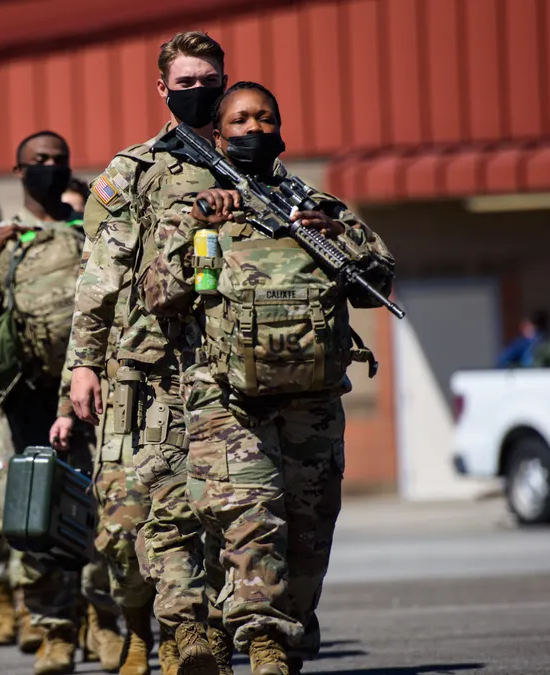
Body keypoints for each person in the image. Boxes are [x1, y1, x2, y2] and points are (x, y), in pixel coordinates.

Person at [142, 81, 397, 675]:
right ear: (219, 132)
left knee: (309, 531)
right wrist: (200, 229)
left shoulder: (318, 205)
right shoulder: (198, 209)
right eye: (239, 120)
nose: (253, 129)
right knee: (250, 519)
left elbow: (378, 285)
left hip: (312, 401)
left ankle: (290, 634)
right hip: (227, 403)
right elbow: (160, 295)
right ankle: (263, 644)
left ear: (281, 129)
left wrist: (337, 237)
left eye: (264, 118)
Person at [68, 29, 231, 675]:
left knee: (223, 510)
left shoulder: (254, 166)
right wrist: (83, 364)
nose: (199, 91)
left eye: (208, 79)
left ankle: (203, 635)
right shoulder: (132, 171)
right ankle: (138, 621)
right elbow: (99, 276)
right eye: (185, 82)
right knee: (127, 516)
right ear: (162, 88)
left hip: (229, 368)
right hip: (147, 370)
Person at [0, 130, 93, 675]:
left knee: (109, 513)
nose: (50, 167)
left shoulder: (91, 232)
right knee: (38, 518)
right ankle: (54, 632)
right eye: (38, 161)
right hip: (31, 397)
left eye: (59, 160)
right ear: (19, 171)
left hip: (94, 392)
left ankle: (105, 622)